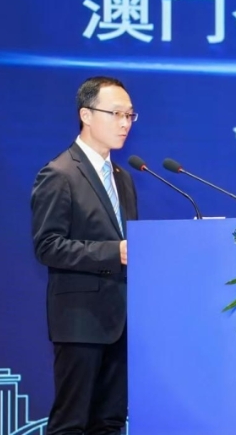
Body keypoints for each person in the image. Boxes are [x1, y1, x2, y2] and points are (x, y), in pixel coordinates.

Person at [30, 76, 138, 435]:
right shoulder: (59, 173)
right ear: (86, 115)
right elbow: (47, 245)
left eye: (130, 115)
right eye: (116, 113)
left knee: (110, 422)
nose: (125, 123)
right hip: (80, 321)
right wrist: (114, 252)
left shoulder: (123, 177)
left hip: (121, 320)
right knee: (71, 424)